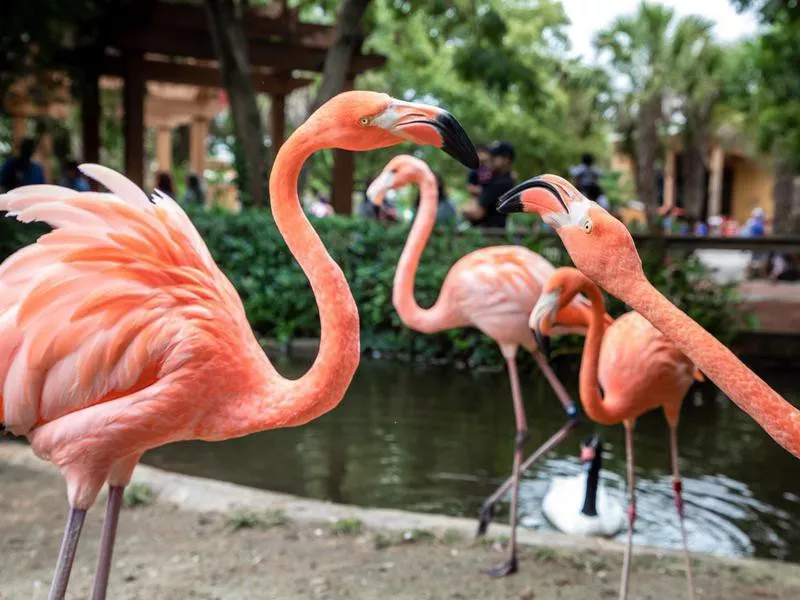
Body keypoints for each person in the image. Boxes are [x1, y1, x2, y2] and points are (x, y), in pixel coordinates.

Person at [461, 141, 515, 229]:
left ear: (506, 160)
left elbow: (476, 213)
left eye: (494, 156)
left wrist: (462, 210)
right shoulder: (496, 179)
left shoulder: (500, 183)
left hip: (490, 234)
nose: (489, 160)